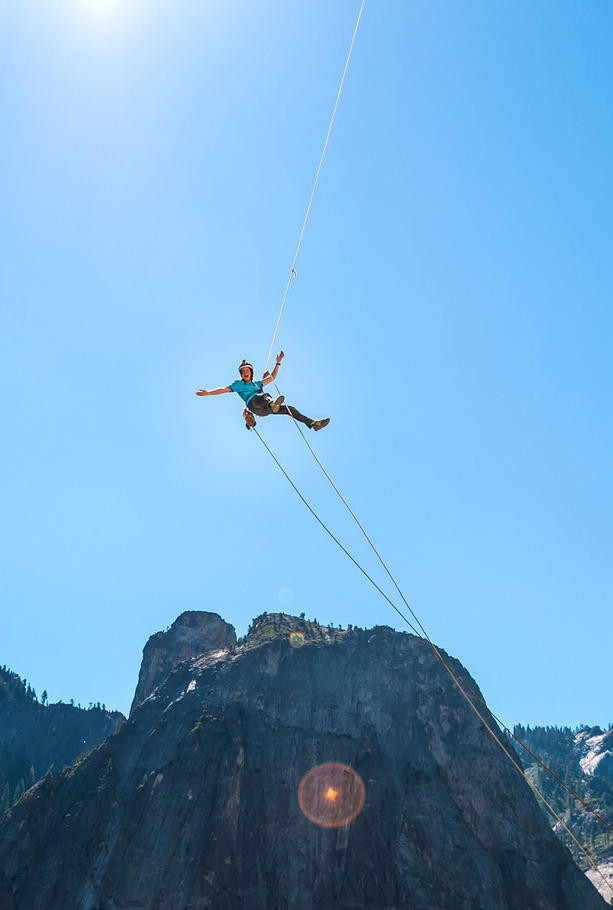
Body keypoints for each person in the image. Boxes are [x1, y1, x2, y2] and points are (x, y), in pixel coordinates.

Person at [196, 352, 330, 431]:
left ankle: (313, 424)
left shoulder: (257, 384)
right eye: (243, 372)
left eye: (247, 370)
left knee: (291, 409)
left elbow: (272, 378)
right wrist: (208, 393)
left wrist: (278, 363)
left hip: (265, 410)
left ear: (251, 372)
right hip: (254, 404)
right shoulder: (238, 384)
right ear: (241, 375)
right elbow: (224, 390)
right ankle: (273, 405)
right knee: (264, 395)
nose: (245, 373)